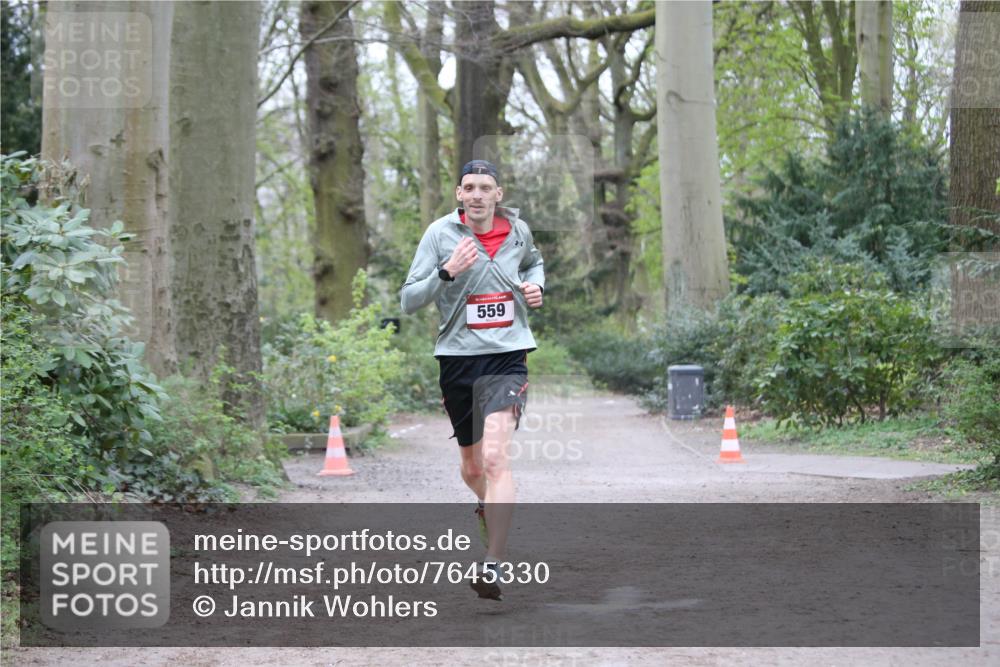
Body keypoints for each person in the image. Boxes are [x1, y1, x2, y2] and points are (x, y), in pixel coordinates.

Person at [400, 160, 544, 601]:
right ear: (459, 195)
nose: (478, 194)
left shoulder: (518, 232)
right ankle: (490, 509)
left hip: (507, 356)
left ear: (498, 194)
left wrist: (537, 287)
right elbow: (408, 299)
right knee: (473, 467)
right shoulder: (440, 234)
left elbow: (535, 264)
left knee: (497, 459)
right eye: (469, 188)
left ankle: (493, 563)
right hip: (457, 359)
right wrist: (446, 272)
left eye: (486, 187)